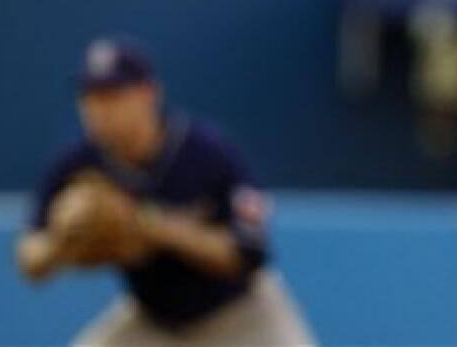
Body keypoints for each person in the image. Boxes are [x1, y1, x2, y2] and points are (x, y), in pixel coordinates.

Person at [16, 38, 316, 346]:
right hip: (154, 321)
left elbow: (247, 255)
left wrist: (147, 223)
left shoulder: (207, 152)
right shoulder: (77, 163)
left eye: (113, 95)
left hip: (240, 315)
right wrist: (60, 242)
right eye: (91, 97)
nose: (100, 109)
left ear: (149, 94)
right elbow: (28, 256)